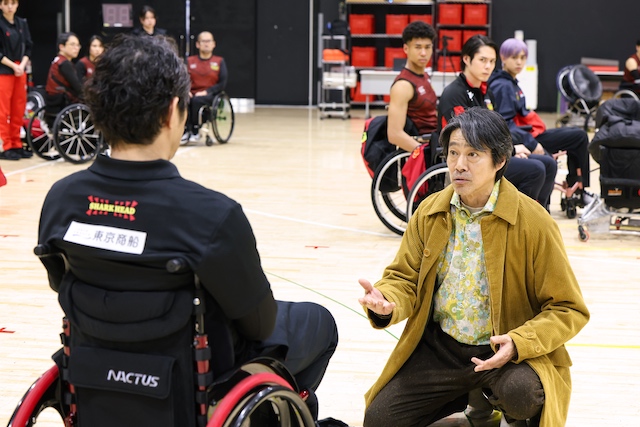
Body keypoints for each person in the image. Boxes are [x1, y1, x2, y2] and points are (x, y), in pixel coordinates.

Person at [37, 34, 338, 423]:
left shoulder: (60, 200)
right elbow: (259, 324)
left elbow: (63, 285)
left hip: (94, 364)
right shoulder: (210, 215)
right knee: (318, 323)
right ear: (172, 111)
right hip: (193, 378)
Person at [359, 107, 589, 427]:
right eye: (453, 153)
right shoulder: (429, 212)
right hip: (442, 348)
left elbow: (568, 308)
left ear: (500, 161)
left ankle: (492, 401)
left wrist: (519, 342)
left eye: (473, 154)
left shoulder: (534, 222)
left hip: (504, 351)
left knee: (523, 394)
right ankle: (471, 398)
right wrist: (388, 300)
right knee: (379, 419)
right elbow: (404, 277)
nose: (459, 165)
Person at [438, 35, 556, 210]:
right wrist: (511, 151)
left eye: (492, 61)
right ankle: (517, 218)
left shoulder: (486, 92)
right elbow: (467, 139)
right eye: (483, 60)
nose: (488, 66)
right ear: (467, 59)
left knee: (549, 163)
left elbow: (495, 131)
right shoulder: (454, 93)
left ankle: (541, 215)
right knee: (535, 170)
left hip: (487, 154)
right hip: (470, 158)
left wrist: (511, 149)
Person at [489, 38, 592, 206]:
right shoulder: (503, 86)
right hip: (525, 138)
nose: (519, 62)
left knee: (578, 135)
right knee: (578, 137)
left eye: (523, 58)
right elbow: (505, 125)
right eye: (514, 57)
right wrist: (532, 143)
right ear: (503, 58)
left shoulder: (511, 83)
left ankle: (578, 186)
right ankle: (579, 191)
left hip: (530, 133)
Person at [387, 21, 437, 153]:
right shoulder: (403, 85)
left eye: (427, 47)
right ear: (406, 49)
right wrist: (423, 154)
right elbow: (394, 134)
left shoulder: (425, 76)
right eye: (418, 47)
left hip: (435, 140)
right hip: (424, 148)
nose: (423, 53)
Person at [0, 0, 32, 160]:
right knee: (3, 110)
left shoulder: (22, 23)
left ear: (17, 4)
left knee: (18, 109)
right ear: (0, 5)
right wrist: (13, 66)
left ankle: (16, 143)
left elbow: (28, 46)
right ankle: (5, 146)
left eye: (12, 3)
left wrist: (22, 65)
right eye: (6, 3)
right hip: (4, 70)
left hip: (20, 70)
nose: (10, 6)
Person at [184, 31, 228, 143]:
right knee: (183, 99)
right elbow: (183, 78)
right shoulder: (189, 61)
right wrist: (186, 90)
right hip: (191, 93)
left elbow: (222, 83)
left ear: (214, 44)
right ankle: (184, 130)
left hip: (210, 95)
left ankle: (195, 130)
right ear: (197, 44)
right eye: (203, 41)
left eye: (209, 41)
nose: (206, 44)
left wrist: (207, 92)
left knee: (196, 101)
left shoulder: (219, 61)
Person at [44, 32, 83, 111]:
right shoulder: (64, 63)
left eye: (78, 45)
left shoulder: (57, 60)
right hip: (62, 102)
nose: (76, 48)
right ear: (61, 47)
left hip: (52, 100)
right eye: (72, 44)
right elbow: (78, 88)